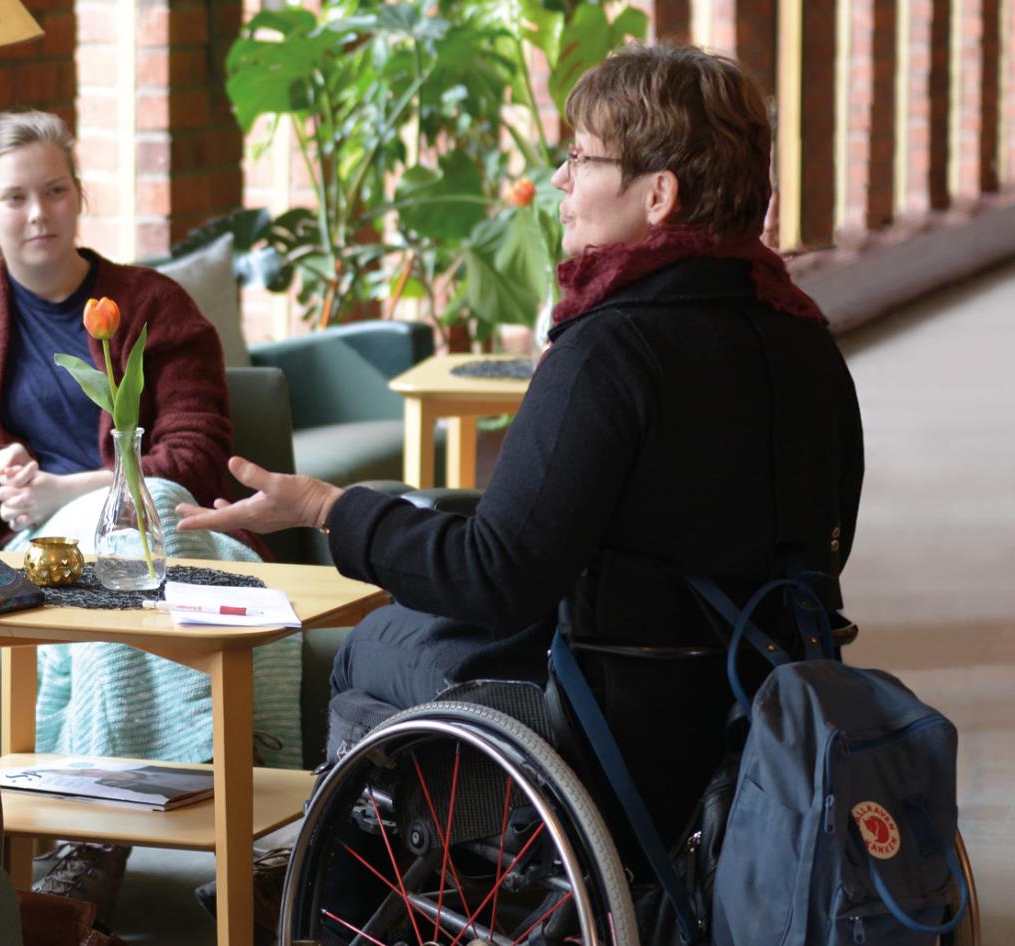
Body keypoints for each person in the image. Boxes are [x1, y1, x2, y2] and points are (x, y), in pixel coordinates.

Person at [179, 43, 863, 846]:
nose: (561, 181)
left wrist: (332, 509)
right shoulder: (804, 336)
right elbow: (825, 541)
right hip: (768, 702)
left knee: (373, 645)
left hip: (618, 736)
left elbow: (495, 574)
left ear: (659, 194)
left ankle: (341, 888)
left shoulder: (610, 351)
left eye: (581, 158)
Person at [0, 109, 302, 916]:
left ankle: (93, 849)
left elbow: (194, 454)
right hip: (33, 543)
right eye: (15, 196)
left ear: (80, 196)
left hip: (163, 519)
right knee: (117, 549)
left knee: (146, 512)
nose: (38, 213)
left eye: (55, 190)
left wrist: (74, 491)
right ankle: (252, 846)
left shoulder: (154, 303)